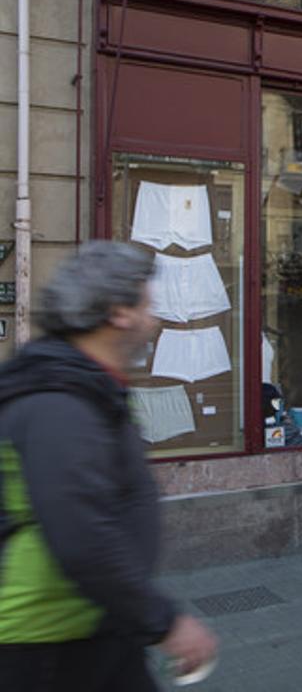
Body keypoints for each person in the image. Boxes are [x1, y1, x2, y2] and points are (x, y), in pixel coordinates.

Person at [0, 241, 218, 691]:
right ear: (119, 312)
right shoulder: (59, 401)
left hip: (97, 624)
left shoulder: (84, 386)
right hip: (51, 639)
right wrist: (165, 622)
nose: (154, 320)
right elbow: (80, 532)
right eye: (147, 304)